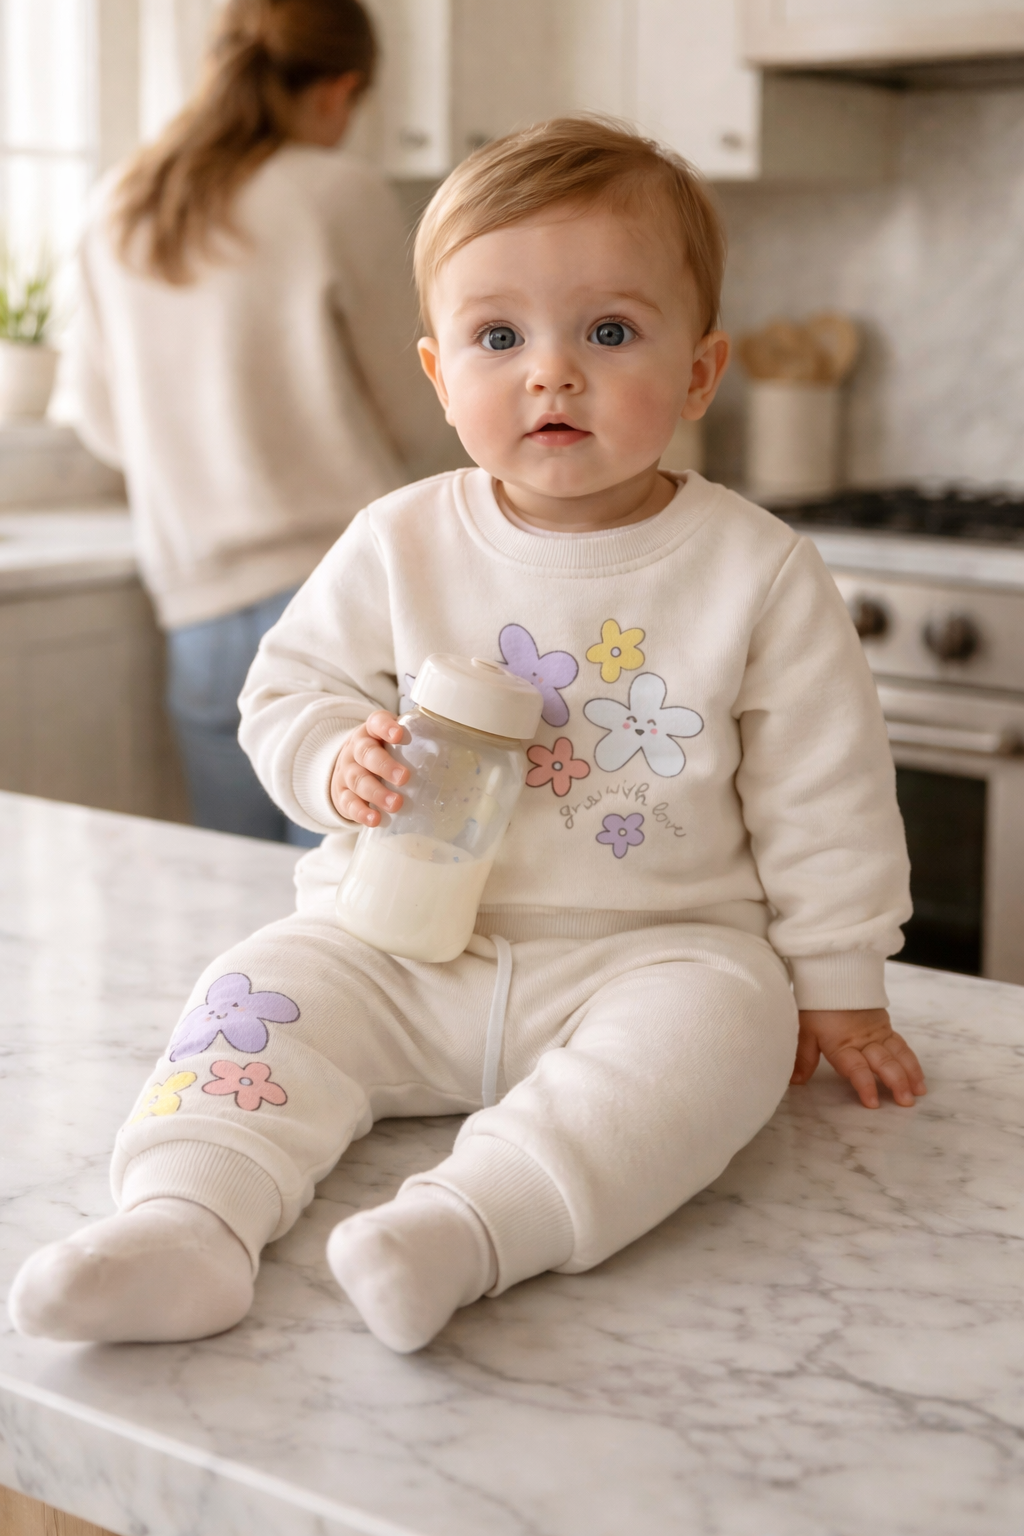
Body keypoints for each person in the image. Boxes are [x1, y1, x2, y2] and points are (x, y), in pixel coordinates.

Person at [10, 117, 925, 1354]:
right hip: (393, 948)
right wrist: (334, 759)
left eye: (610, 332)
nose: (552, 373)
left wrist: (841, 989)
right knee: (259, 984)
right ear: (440, 378)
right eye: (500, 338)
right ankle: (183, 1222)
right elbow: (285, 691)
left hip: (642, 959)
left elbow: (827, 794)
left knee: (734, 1027)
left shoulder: (755, 571)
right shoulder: (397, 539)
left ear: (701, 372)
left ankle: (461, 1229)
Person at [69, 0, 446, 843]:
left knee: (233, 886)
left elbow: (100, 422)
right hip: (343, 597)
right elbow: (425, 408)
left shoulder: (119, 203)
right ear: (339, 90)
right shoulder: (336, 191)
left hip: (197, 608)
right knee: (345, 888)